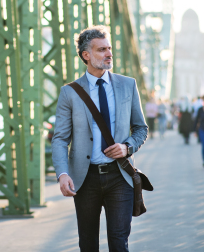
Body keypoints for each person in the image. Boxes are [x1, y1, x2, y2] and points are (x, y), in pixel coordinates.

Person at [52, 26, 148, 252]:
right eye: (101, 49)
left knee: (119, 243)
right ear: (86, 55)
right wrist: (62, 174)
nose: (109, 54)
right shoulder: (70, 92)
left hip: (119, 176)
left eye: (109, 48)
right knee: (88, 244)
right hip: (85, 180)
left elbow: (141, 128)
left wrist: (127, 148)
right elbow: (60, 139)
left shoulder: (128, 85)